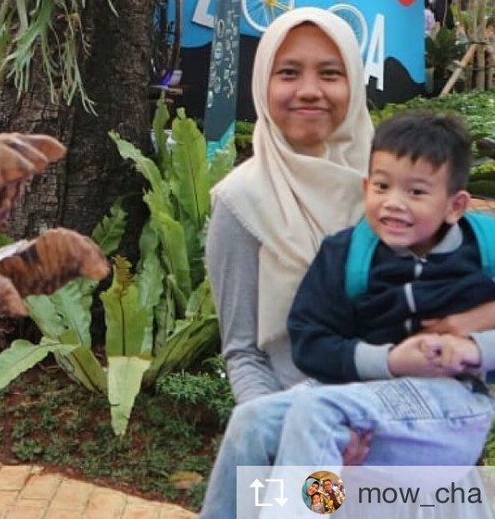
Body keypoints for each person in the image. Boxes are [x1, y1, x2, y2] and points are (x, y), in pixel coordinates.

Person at [200, 110, 495, 518]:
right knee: (253, 419)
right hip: (362, 393)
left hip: (451, 405)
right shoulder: (349, 253)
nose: (394, 203)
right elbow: (310, 340)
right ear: (365, 186)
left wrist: (474, 349)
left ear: (455, 205)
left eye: (416, 192)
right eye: (382, 186)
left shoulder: (483, 249)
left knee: (316, 411)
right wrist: (389, 361)